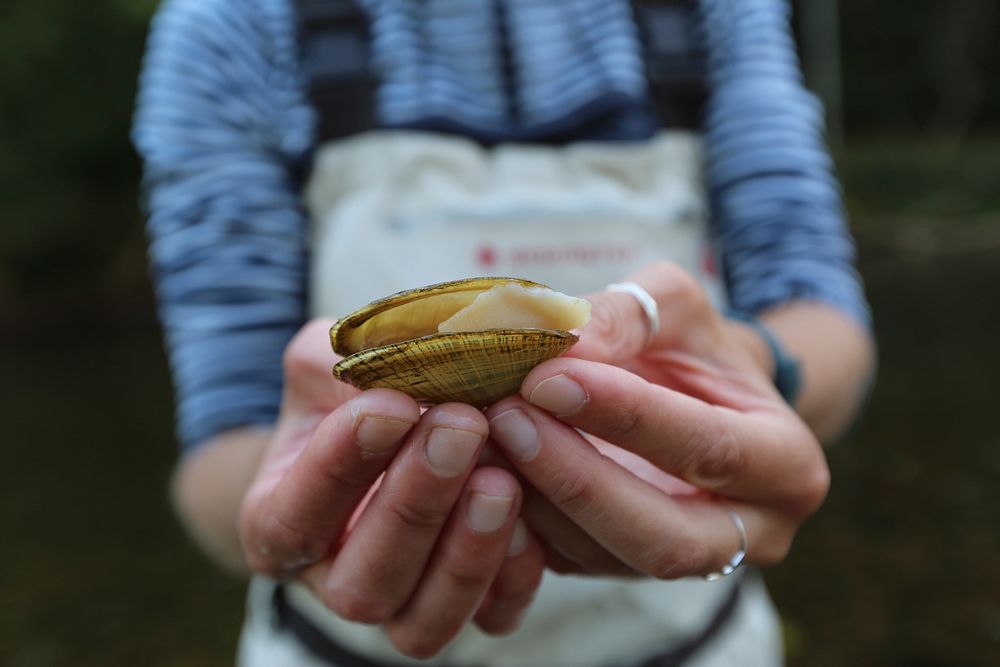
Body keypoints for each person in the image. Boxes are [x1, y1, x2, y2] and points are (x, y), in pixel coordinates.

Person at [133, 0, 876, 665]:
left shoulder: (715, 11)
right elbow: (221, 448)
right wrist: (302, 522)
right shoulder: (231, 22)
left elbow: (822, 314)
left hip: (700, 644)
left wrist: (757, 370)